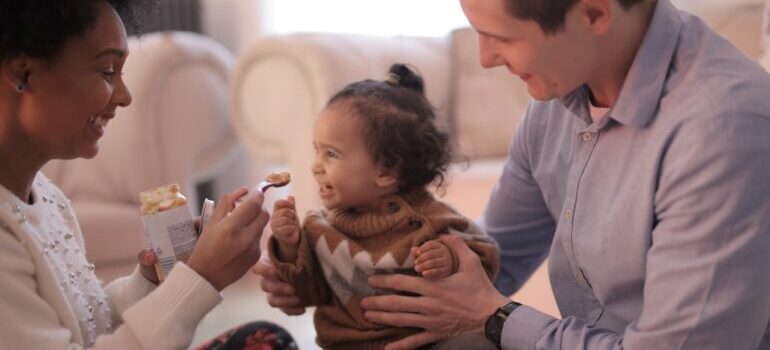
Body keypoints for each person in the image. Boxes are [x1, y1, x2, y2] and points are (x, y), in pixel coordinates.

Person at [258, 0, 770, 349]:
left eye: (499, 36)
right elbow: (484, 263)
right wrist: (325, 275)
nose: (483, 59)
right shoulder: (559, 96)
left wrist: (500, 318)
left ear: (593, 13)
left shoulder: (721, 131)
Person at [0, 1, 296, 349]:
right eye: (108, 71)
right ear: (23, 73)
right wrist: (201, 278)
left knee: (264, 339)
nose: (124, 97)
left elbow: (87, 326)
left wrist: (156, 278)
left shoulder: (45, 197)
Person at [266, 63, 500, 349]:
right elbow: (305, 293)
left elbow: (484, 258)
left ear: (386, 171)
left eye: (331, 154)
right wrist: (289, 245)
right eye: (317, 151)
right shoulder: (319, 229)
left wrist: (448, 258)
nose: (316, 166)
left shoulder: (429, 219)